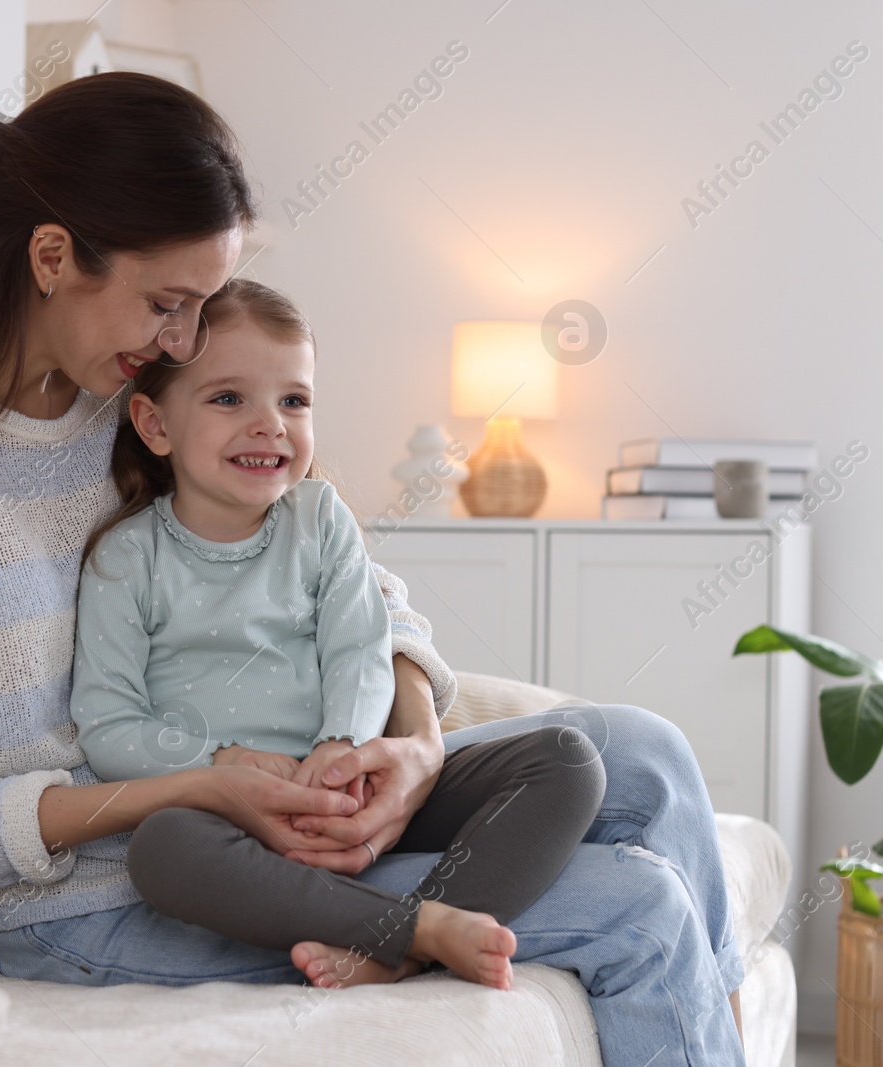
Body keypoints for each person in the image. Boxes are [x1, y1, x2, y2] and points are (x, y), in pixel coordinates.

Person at [0, 71, 745, 1065]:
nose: (183, 340)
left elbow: (359, 586)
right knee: (639, 905)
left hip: (288, 793)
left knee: (643, 751)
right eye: (166, 302)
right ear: (51, 256)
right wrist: (199, 789)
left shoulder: (134, 407)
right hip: (120, 888)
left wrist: (413, 746)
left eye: (199, 307)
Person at [70, 279, 605, 989]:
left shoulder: (320, 518)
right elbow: (109, 725)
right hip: (232, 819)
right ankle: (419, 931)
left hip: (351, 791)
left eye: (294, 400)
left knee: (568, 759)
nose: (271, 424)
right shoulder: (127, 557)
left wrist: (343, 747)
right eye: (229, 398)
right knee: (164, 849)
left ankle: (403, 945)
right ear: (155, 424)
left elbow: (361, 644)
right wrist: (223, 763)